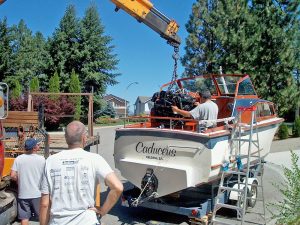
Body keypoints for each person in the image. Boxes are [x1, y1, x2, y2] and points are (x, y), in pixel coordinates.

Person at [40, 121, 123, 225]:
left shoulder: (50, 161)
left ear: (66, 138)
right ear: (84, 138)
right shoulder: (95, 159)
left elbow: (44, 204)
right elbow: (117, 187)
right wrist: (102, 211)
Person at [10, 138, 45, 225]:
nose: (39, 146)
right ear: (34, 148)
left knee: (24, 218)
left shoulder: (18, 159)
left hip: (23, 194)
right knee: (42, 217)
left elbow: (12, 175)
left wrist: (19, 180)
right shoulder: (41, 159)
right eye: (37, 144)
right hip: (37, 194)